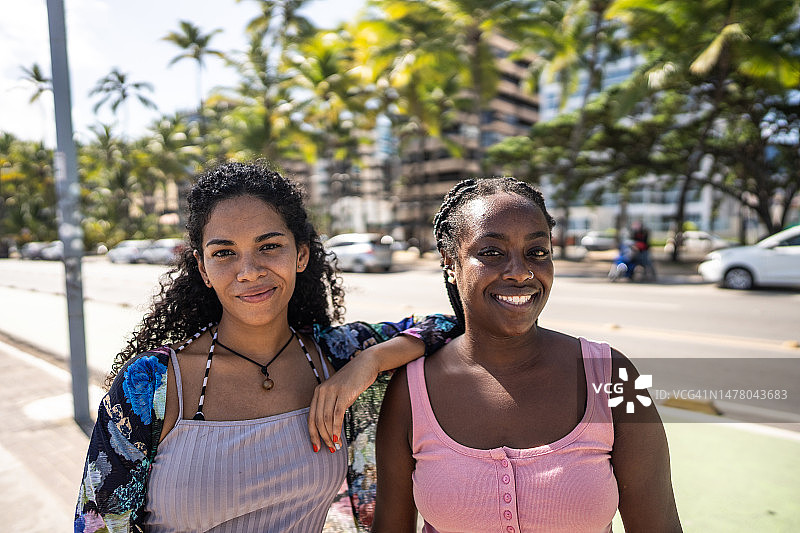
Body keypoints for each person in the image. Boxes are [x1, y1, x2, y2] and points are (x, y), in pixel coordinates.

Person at [74, 161, 457, 532]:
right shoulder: (153, 384)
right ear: (203, 268)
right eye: (224, 253)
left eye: (269, 246)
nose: (249, 271)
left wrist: (370, 362)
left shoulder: (335, 355)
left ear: (301, 254)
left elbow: (450, 324)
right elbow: (98, 525)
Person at [374, 178, 681, 532]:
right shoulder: (411, 390)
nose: (521, 272)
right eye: (491, 253)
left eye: (537, 252)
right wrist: (371, 359)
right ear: (450, 261)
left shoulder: (613, 376)